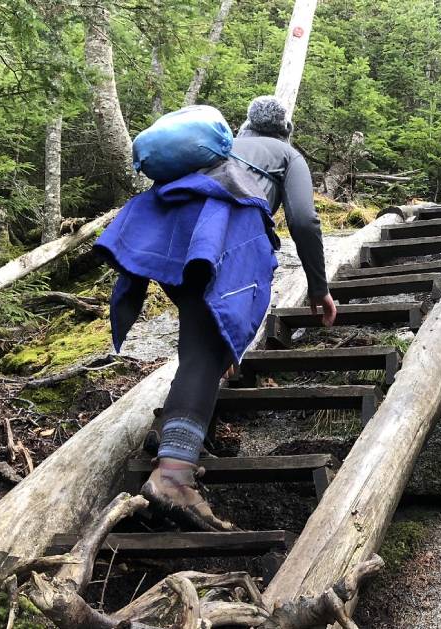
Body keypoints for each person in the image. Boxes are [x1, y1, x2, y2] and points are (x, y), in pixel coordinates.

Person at [94, 98, 336, 531]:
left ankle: (169, 431)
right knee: (207, 351)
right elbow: (303, 219)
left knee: (200, 341)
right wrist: (318, 287)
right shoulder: (286, 154)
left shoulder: (223, 149)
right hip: (221, 234)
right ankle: (172, 477)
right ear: (285, 129)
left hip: (171, 228)